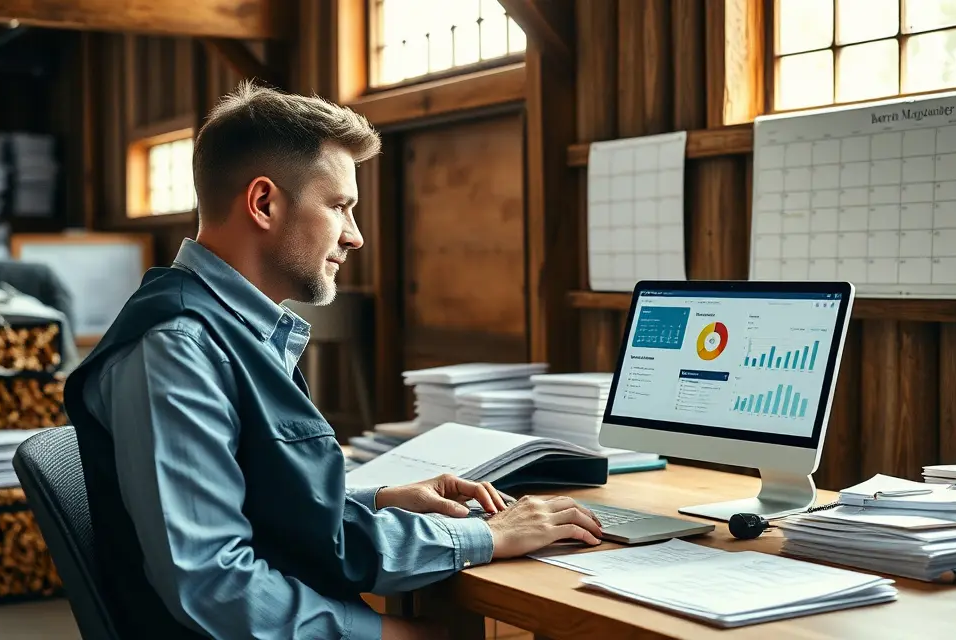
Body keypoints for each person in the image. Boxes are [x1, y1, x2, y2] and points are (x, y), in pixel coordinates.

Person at [61, 81, 604, 640]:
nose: (356, 237)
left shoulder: (231, 329)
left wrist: (381, 499)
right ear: (264, 202)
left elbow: (250, 497)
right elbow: (213, 585)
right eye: (340, 206)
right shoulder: (179, 348)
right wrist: (471, 552)